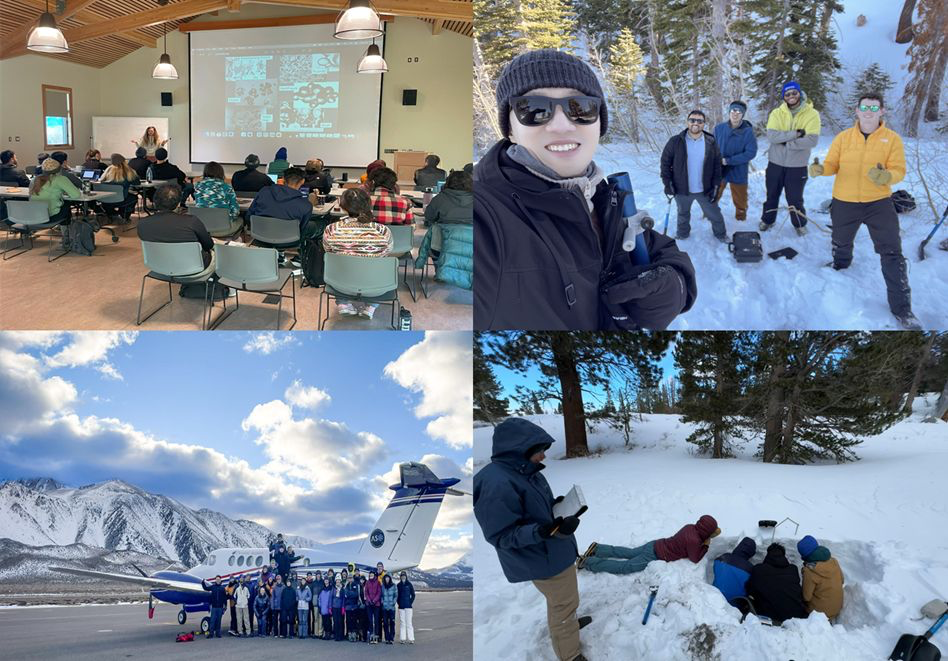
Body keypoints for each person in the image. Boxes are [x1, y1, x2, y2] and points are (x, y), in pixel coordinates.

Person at [475, 49, 697, 332]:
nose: (561, 125)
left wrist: (674, 286)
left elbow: (663, 253)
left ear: (599, 122)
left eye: (580, 108)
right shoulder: (485, 216)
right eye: (533, 109)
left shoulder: (600, 197)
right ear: (510, 129)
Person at [474, 417, 587, 661]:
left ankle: (567, 627)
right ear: (519, 449)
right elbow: (501, 536)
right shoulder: (496, 482)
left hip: (552, 551)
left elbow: (530, 510)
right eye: (539, 452)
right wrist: (542, 531)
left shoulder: (523, 470)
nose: (543, 457)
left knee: (562, 602)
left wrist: (555, 508)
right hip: (542, 558)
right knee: (564, 605)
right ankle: (569, 652)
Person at [808, 92, 918, 329]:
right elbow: (832, 165)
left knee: (892, 253)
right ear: (857, 111)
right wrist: (820, 169)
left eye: (874, 108)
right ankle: (841, 263)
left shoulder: (892, 139)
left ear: (882, 112)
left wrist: (887, 176)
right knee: (841, 240)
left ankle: (903, 310)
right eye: (864, 108)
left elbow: (899, 169)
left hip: (878, 202)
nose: (868, 113)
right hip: (844, 201)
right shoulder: (844, 138)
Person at [760, 81, 821, 236]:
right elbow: (772, 137)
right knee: (771, 195)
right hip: (775, 163)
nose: (791, 96)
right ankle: (767, 220)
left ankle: (799, 224)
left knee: (795, 198)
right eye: (787, 94)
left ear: (799, 93)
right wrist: (796, 134)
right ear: (784, 97)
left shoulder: (812, 114)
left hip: (797, 165)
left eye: (794, 93)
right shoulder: (776, 113)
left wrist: (787, 143)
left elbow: (812, 140)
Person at [322, 187, 394, 319]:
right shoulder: (383, 231)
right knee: (379, 266)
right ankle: (371, 306)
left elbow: (329, 253)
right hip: (375, 285)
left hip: (340, 284)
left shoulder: (331, 229)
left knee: (337, 264)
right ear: (368, 204)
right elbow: (386, 253)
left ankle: (343, 304)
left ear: (343, 207)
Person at [660, 110, 728, 241]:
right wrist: (667, 183)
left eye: (699, 121)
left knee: (715, 214)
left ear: (703, 124)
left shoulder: (711, 142)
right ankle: (682, 234)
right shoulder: (675, 141)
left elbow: (717, 166)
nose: (695, 123)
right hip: (681, 189)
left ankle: (721, 235)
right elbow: (665, 163)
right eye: (692, 120)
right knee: (683, 214)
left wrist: (715, 186)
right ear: (687, 122)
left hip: (705, 189)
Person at [579, 515, 720, 574]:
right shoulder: (695, 541)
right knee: (624, 567)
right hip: (654, 555)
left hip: (654, 544)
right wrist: (706, 545)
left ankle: (598, 549)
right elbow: (695, 558)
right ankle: (588, 562)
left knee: (629, 552)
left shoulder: (690, 526)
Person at [137, 185, 215, 274]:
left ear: (155, 201)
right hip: (194, 266)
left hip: (159, 266)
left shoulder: (142, 224)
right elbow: (209, 245)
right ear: (178, 204)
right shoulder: (191, 221)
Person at [713, 101, 758, 221]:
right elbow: (711, 147)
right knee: (714, 194)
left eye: (739, 111)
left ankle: (740, 218)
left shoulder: (748, 132)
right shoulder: (719, 129)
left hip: (738, 169)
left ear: (742, 114)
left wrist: (729, 161)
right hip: (720, 169)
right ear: (729, 112)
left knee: (740, 198)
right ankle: (709, 213)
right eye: (733, 110)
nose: (735, 114)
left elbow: (751, 152)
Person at [746, 543, 808, 623]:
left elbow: (749, 589)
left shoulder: (758, 569)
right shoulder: (793, 569)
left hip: (770, 616)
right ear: (783, 555)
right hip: (795, 615)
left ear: (768, 555)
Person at [247, 166, 315, 238]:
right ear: (302, 181)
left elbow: (249, 215)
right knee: (313, 226)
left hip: (260, 236)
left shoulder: (264, 191)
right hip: (289, 240)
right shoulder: (306, 205)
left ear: (283, 179)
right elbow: (301, 229)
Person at [797, 535, 844, 620]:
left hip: (819, 614)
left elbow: (806, 597)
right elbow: (842, 580)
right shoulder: (833, 560)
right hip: (836, 608)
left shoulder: (809, 571)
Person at [29, 157, 80, 226]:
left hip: (34, 215)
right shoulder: (60, 179)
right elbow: (76, 195)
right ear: (59, 169)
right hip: (51, 216)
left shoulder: (34, 180)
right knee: (66, 204)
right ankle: (66, 233)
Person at [193, 161, 240, 228]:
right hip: (223, 226)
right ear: (221, 173)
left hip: (202, 226)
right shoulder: (227, 187)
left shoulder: (197, 186)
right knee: (241, 220)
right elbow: (235, 211)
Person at [712, 537, 757, 607]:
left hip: (714, 597)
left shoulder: (724, 557)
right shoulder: (750, 569)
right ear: (751, 554)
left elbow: (715, 565)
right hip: (734, 604)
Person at [99, 153, 140, 221]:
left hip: (105, 200)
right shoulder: (128, 172)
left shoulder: (107, 171)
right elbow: (137, 183)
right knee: (134, 197)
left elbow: (101, 181)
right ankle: (124, 215)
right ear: (124, 162)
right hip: (121, 200)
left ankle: (111, 213)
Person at [396, 571, 416, 644]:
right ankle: (403, 638)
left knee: (409, 623)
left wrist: (410, 602)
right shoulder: (398, 585)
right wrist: (399, 603)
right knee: (402, 623)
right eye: (402, 576)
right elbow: (397, 596)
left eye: (404, 576)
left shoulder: (409, 584)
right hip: (401, 607)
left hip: (408, 607)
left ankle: (411, 639)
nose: (403, 577)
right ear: (400, 577)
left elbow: (413, 595)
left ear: (406, 576)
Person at [364, 569, 381, 643]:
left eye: (372, 575)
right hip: (369, 604)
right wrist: (369, 600)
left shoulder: (378, 582)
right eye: (370, 575)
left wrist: (374, 601)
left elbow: (379, 592)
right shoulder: (367, 582)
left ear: (374, 575)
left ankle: (376, 635)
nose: (371, 576)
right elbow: (366, 592)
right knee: (370, 620)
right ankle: (371, 634)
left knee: (376, 620)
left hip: (376, 604)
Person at [380, 574, 397, 644]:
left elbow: (396, 595)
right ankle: (387, 638)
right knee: (385, 623)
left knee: (392, 623)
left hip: (391, 608)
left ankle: (392, 638)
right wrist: (383, 602)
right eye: (386, 578)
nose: (387, 579)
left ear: (390, 579)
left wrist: (393, 603)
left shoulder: (394, 586)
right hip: (384, 607)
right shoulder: (383, 586)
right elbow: (381, 596)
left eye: (388, 578)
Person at [332, 577, 346, 641]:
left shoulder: (342, 589)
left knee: (340, 622)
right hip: (334, 607)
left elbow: (343, 598)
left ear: (340, 582)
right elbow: (331, 598)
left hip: (340, 607)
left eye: (339, 581)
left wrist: (343, 607)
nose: (338, 582)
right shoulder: (333, 589)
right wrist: (330, 607)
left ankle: (341, 636)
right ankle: (336, 636)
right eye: (337, 581)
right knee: (335, 622)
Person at [297, 574, 311, 638]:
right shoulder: (298, 588)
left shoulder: (307, 588)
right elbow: (296, 596)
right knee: (300, 620)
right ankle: (300, 634)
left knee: (305, 620)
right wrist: (297, 599)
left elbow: (310, 596)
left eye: (304, 581)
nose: (303, 582)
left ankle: (304, 634)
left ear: (305, 582)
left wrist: (306, 599)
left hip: (305, 606)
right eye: (302, 581)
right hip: (299, 606)